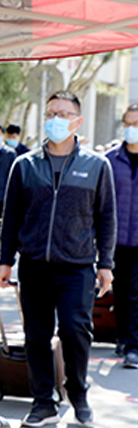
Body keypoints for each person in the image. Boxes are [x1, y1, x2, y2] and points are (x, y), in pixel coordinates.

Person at [0, 90, 116, 428]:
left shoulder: (96, 166)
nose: (56, 119)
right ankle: (43, 401)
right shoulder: (25, 166)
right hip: (33, 264)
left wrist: (106, 265)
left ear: (77, 121)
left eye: (64, 114)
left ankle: (77, 392)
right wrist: (6, 261)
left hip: (76, 266)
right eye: (51, 113)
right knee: (36, 335)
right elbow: (12, 217)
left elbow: (107, 218)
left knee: (75, 330)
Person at [106, 103, 138, 368]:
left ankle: (133, 346)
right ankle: (123, 336)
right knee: (121, 292)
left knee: (136, 293)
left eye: (136, 124)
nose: (131, 129)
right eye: (127, 123)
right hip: (116, 242)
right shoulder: (110, 160)